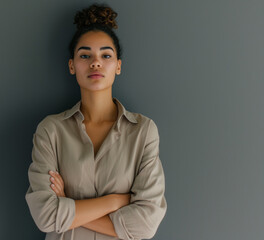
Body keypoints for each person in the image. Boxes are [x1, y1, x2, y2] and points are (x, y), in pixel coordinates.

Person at [25, 3, 167, 240]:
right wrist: (116, 201)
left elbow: (145, 225)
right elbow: (46, 216)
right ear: (72, 65)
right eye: (85, 55)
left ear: (118, 66)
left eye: (106, 55)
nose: (95, 62)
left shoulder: (143, 131)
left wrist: (67, 204)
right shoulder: (51, 130)